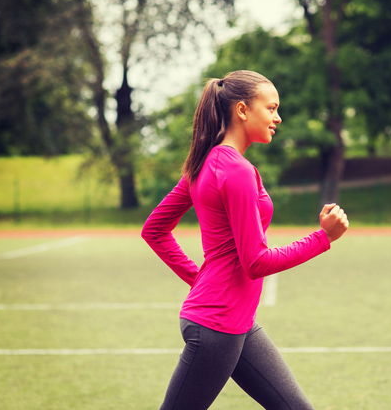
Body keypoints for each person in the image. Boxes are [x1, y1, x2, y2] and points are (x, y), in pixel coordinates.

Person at [141, 70, 349, 410]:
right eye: (271, 108)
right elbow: (256, 262)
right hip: (216, 327)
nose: (277, 117)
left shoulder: (205, 164)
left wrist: (201, 281)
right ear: (242, 110)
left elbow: (154, 230)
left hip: (233, 321)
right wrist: (323, 238)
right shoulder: (235, 170)